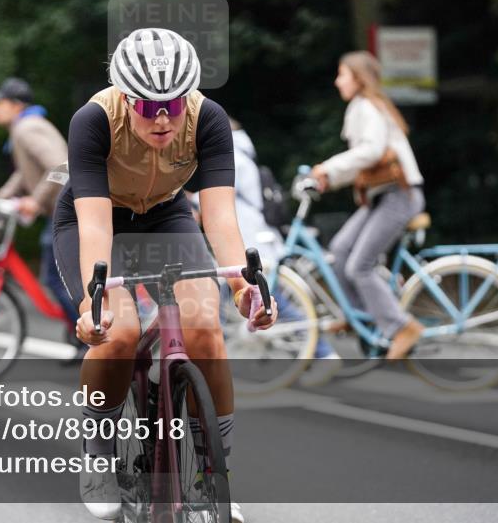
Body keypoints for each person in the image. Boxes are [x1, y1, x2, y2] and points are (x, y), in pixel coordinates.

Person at [53, 28, 277, 523]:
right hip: (97, 217)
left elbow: (219, 217)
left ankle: (211, 479)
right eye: (147, 106)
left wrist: (244, 286)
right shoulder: (92, 120)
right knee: (120, 333)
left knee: (204, 329)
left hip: (167, 214)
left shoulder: (209, 119)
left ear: (189, 100)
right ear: (124, 98)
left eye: (173, 107)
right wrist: (98, 306)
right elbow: (94, 224)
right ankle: (98, 453)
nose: (161, 118)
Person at [311, 51, 426, 361]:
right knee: (339, 250)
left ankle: (402, 327)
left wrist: (328, 169)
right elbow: (362, 160)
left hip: (399, 196)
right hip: (381, 197)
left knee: (358, 265)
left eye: (342, 75)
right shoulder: (361, 107)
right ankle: (362, 315)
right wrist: (327, 177)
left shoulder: (367, 107)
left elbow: (371, 151)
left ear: (358, 79)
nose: (337, 81)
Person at [227, 119, 342, 385]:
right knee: (232, 297)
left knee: (271, 298)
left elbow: (212, 198)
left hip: (253, 241)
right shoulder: (244, 156)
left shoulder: (233, 159)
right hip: (251, 240)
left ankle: (323, 353)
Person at [0, 77, 76, 325]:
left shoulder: (27, 128)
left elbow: (61, 165)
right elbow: (23, 174)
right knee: (62, 277)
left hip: (68, 210)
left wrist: (35, 200)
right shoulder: (23, 128)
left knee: (55, 279)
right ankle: (79, 337)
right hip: (61, 210)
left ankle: (91, 341)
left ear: (16, 105)